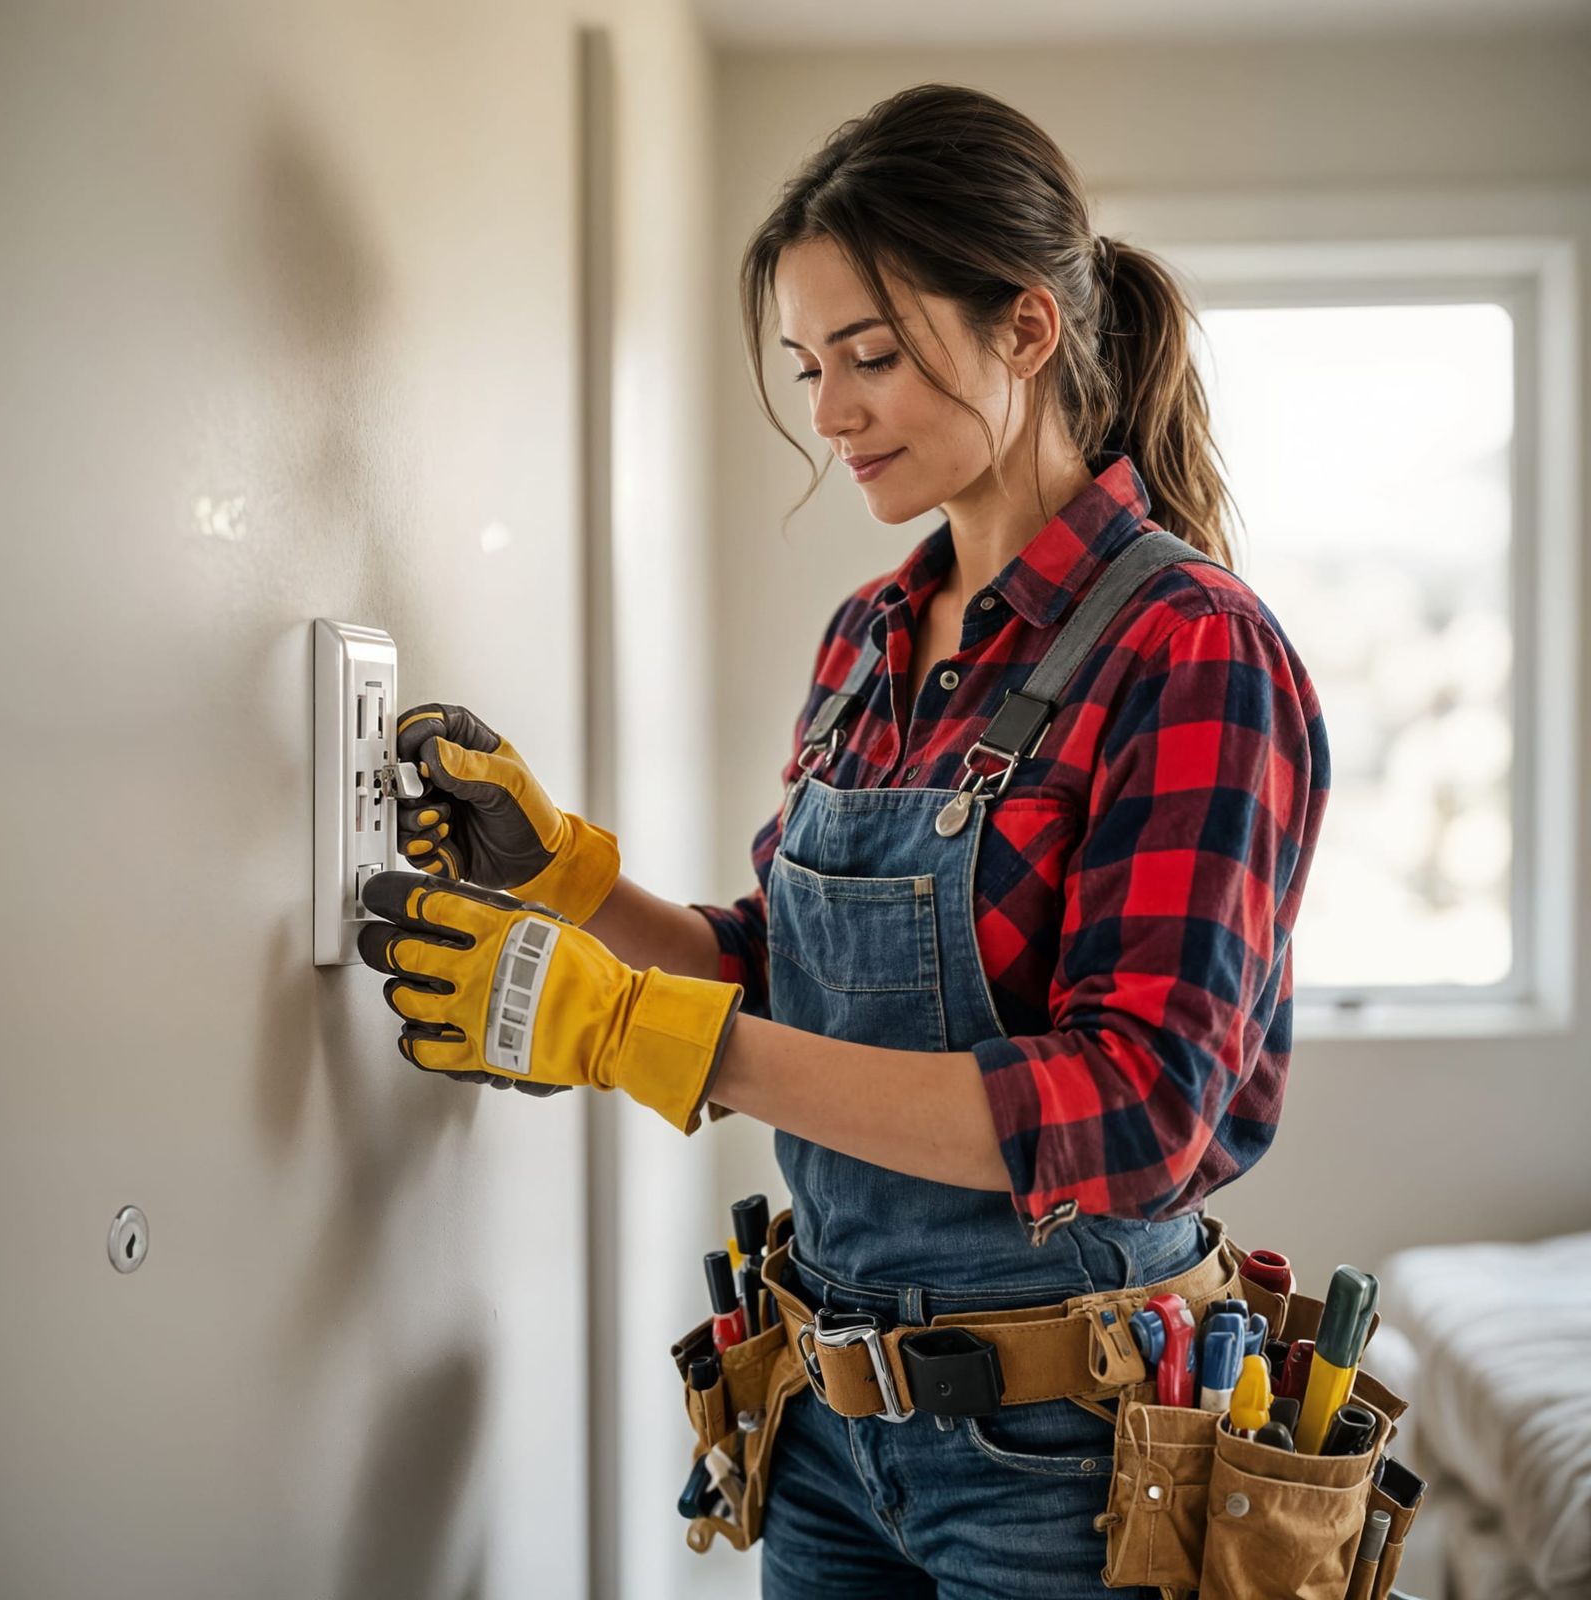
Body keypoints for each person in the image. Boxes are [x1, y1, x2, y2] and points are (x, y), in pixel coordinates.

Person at [359, 82, 1329, 1600]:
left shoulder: (1191, 651)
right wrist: (578, 885)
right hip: (824, 1428)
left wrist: (643, 1037)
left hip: (1066, 1463)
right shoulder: (872, 632)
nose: (829, 412)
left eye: (871, 356)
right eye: (812, 367)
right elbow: (796, 970)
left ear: (1027, 329)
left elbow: (1139, 1106)